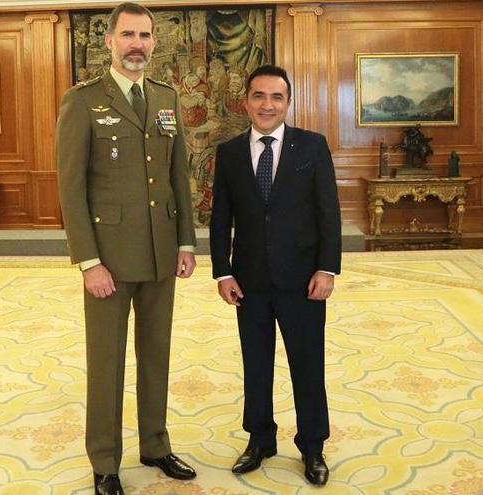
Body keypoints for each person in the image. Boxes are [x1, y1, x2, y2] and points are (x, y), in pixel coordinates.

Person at [55, 4, 197, 495]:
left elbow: (179, 174)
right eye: (128, 34)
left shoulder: (165, 97)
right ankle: (105, 462)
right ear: (110, 41)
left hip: (160, 250)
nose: (137, 43)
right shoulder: (83, 101)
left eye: (145, 35)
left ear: (154, 42)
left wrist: (185, 242)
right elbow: (71, 188)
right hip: (109, 260)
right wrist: (88, 261)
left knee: (156, 354)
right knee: (107, 360)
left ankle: (155, 445)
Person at [209, 65, 341, 486]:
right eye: (259, 96)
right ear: (245, 101)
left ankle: (313, 446)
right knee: (256, 365)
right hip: (249, 282)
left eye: (276, 97)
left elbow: (328, 213)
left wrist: (327, 268)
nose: (267, 105)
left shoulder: (312, 147)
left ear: (288, 102)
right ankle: (260, 439)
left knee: (307, 365)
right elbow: (220, 218)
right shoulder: (229, 152)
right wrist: (222, 272)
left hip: (303, 280)